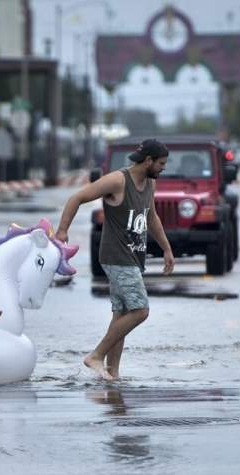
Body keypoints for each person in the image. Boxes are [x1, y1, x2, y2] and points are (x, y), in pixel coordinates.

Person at [54, 138, 175, 381]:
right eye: (161, 163)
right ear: (148, 160)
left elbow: (151, 219)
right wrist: (62, 230)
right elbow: (76, 198)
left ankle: (113, 373)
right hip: (116, 256)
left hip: (133, 256)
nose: (164, 168)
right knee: (140, 310)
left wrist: (167, 249)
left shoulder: (150, 184)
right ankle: (96, 355)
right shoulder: (118, 180)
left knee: (121, 315)